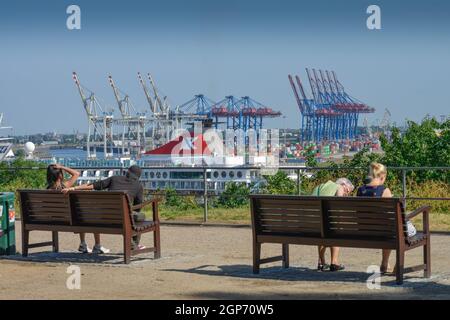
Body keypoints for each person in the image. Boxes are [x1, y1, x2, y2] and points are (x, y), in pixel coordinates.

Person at [63, 165, 145, 250]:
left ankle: (132, 244)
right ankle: (133, 244)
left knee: (128, 216)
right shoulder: (138, 186)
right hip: (123, 218)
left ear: (127, 172)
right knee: (140, 216)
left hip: (105, 217)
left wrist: (74, 188)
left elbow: (93, 185)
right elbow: (138, 206)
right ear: (137, 176)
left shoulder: (114, 179)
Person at [46, 164, 109, 254]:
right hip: (70, 219)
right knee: (89, 215)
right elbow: (76, 174)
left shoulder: (48, 190)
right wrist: (62, 167)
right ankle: (97, 245)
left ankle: (83, 244)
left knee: (79, 214)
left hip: (56, 219)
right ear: (60, 175)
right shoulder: (65, 186)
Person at [356, 162, 393, 273]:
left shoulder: (360, 190)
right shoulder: (384, 191)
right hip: (381, 232)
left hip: (363, 230)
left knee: (385, 227)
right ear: (383, 176)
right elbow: (391, 215)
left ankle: (386, 263)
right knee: (389, 228)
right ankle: (385, 263)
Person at [312, 178, 354, 271]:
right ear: (343, 184)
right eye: (347, 191)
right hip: (328, 225)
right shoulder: (339, 187)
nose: (346, 194)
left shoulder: (318, 187)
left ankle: (321, 262)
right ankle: (334, 262)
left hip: (315, 225)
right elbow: (339, 206)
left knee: (322, 231)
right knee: (336, 228)